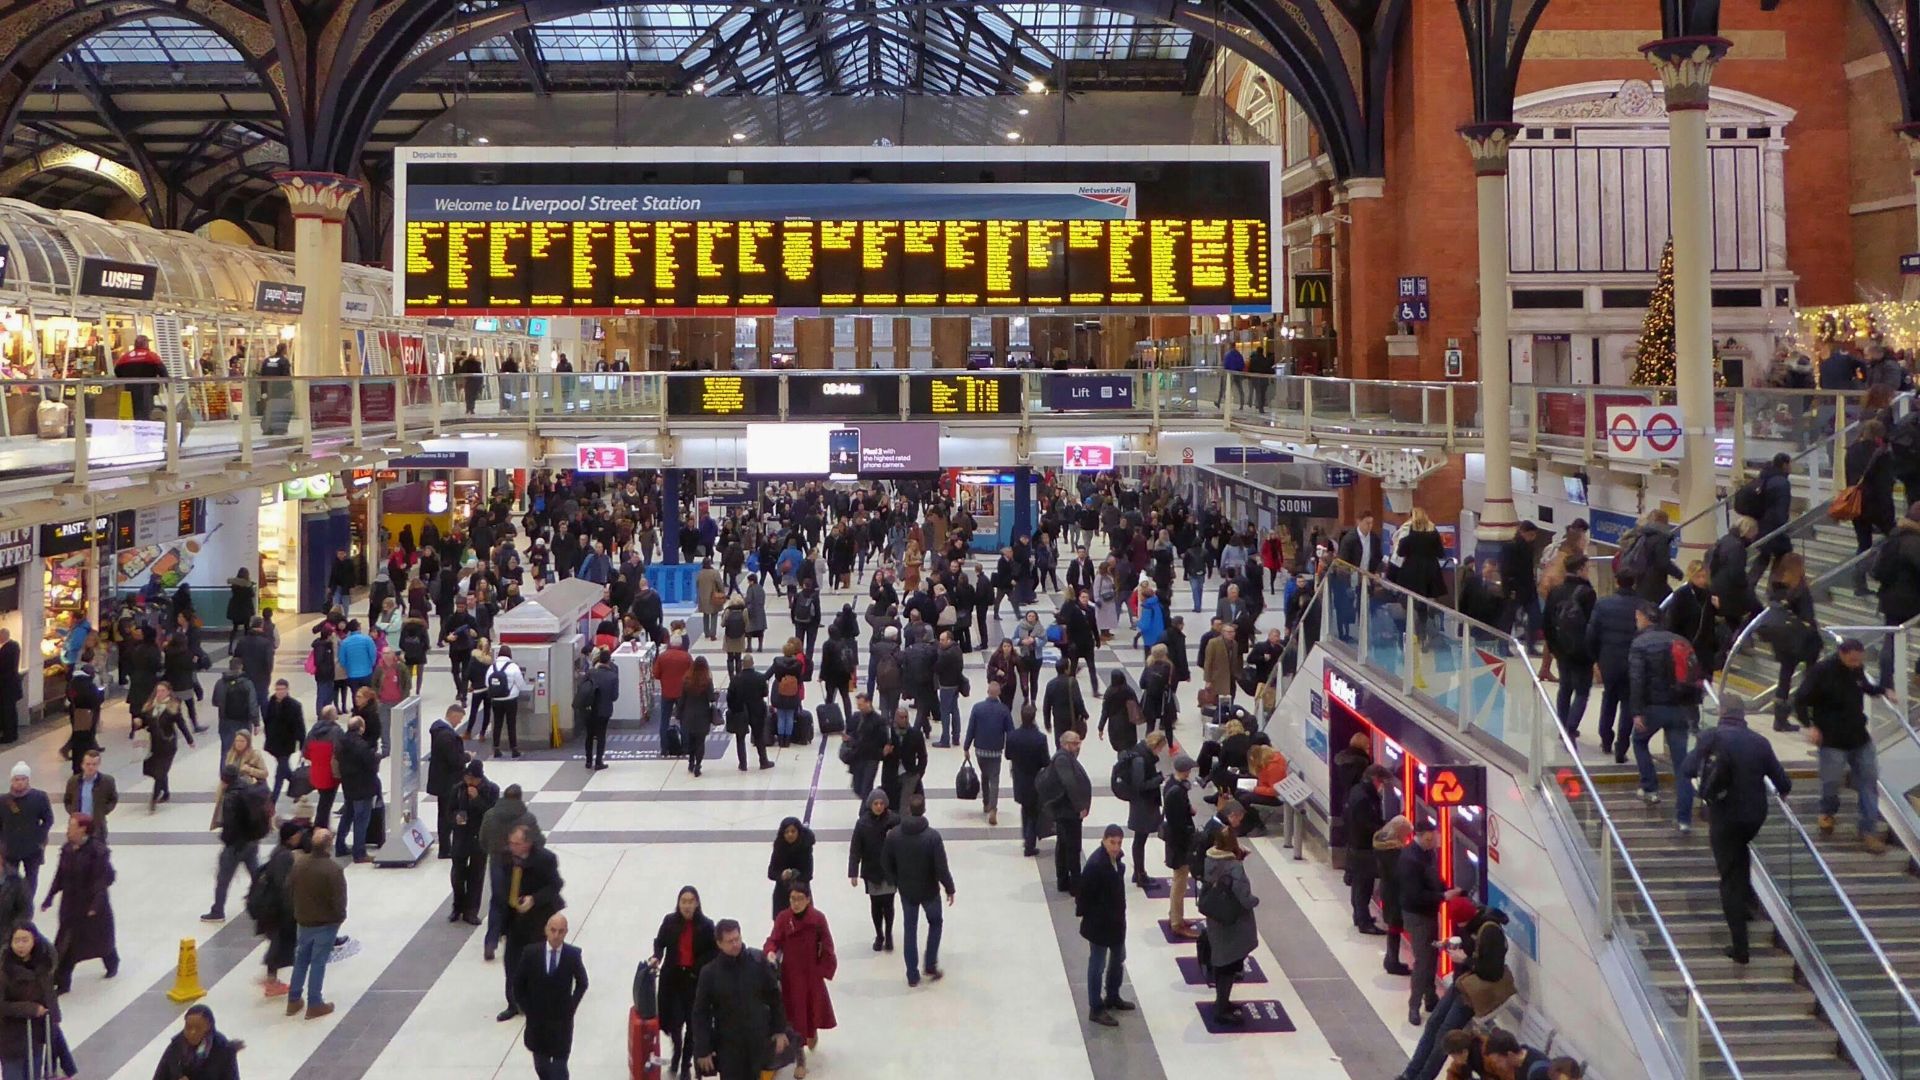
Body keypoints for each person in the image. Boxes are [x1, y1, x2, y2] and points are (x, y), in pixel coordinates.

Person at [1681, 694, 1791, 964]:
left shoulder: (1712, 737)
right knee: (1740, 855)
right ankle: (1748, 904)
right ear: (1743, 716)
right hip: (1755, 817)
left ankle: (1740, 947)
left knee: (1729, 875)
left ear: (1721, 712)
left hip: (1724, 815)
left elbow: (1686, 769)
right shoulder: (1759, 742)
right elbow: (1783, 783)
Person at [1793, 639, 1892, 851]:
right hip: (1831, 738)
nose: (1856, 663)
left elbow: (1864, 686)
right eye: (1853, 659)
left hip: (1859, 737)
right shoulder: (1822, 672)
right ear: (1842, 653)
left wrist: (1883, 690)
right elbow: (1800, 699)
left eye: (1859, 660)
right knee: (1831, 782)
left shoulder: (1856, 670)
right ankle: (1828, 811)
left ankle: (1868, 830)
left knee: (1868, 781)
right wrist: (1810, 726)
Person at [1628, 601, 1702, 831]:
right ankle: (1683, 819)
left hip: (1653, 708)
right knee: (1682, 765)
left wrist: (1637, 711)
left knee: (1639, 741)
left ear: (1643, 618)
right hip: (1680, 709)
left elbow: (1637, 680)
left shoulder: (1640, 643)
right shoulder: (1680, 640)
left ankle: (1650, 788)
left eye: (1637, 617)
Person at [690, 920, 788, 1080]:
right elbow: (701, 1014)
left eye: (737, 939)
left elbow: (774, 997)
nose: (735, 944)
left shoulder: (757, 962)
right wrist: (703, 1049)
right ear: (719, 944)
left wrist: (779, 1029)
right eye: (730, 941)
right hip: (728, 1046)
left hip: (757, 1041)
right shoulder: (709, 973)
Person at [880, 793, 955, 988]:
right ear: (923, 809)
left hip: (907, 891)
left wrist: (895, 881)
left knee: (910, 930)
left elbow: (885, 863)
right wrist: (949, 887)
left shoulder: (894, 835)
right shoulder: (932, 837)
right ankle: (930, 964)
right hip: (929, 891)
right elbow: (941, 867)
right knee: (936, 922)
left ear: (908, 810)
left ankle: (912, 974)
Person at [41, 813, 115, 994]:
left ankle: (112, 960)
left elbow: (101, 880)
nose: (68, 829)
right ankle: (62, 981)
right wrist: (50, 896)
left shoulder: (97, 851)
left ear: (83, 828)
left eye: (71, 825)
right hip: (70, 905)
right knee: (64, 944)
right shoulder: (67, 849)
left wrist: (95, 905)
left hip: (91, 907)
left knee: (99, 940)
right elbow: (60, 876)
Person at [763, 881, 836, 1066]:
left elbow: (827, 945)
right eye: (792, 899)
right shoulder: (783, 918)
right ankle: (800, 1058)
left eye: (800, 899)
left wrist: (824, 969)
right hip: (791, 975)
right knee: (795, 1017)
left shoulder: (818, 919)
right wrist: (770, 951)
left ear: (808, 899)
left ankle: (812, 1033)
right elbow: (774, 939)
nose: (795, 903)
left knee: (811, 1011)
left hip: (812, 975)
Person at [498, 824, 565, 1022]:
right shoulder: (506, 857)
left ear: (528, 843)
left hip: (538, 920)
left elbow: (556, 885)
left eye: (517, 844)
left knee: (538, 963)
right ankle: (513, 1003)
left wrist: (534, 899)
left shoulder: (545, 859)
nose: (513, 847)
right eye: (511, 843)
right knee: (511, 963)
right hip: (514, 919)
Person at [650, 886, 717, 1080]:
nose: (687, 906)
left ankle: (686, 1062)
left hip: (693, 981)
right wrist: (657, 956)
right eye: (683, 901)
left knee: (692, 1023)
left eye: (691, 901)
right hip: (672, 980)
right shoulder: (670, 922)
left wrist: (699, 967)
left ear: (697, 903)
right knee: (674, 1022)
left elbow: (713, 951)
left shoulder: (706, 925)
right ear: (678, 903)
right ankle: (677, 1050)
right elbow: (660, 941)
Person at [515, 913, 589, 1080]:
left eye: (561, 931)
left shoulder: (572, 955)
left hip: (561, 1025)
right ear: (546, 930)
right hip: (538, 1025)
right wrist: (528, 1009)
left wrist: (571, 1006)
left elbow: (582, 982)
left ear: (566, 932)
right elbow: (518, 985)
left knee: (559, 1071)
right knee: (542, 1068)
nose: (556, 935)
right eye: (553, 930)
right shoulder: (531, 953)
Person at [1398, 819, 1457, 1025]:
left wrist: (1447, 890)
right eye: (1434, 836)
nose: (1437, 840)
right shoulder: (1410, 859)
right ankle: (1414, 1006)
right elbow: (1415, 895)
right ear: (1424, 835)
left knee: (1431, 957)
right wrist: (1442, 896)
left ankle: (1430, 998)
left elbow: (1434, 879)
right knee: (1423, 961)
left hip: (1429, 914)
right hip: (1418, 916)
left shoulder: (1427, 853)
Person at [1200, 826, 1260, 1025]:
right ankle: (1221, 1008)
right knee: (1230, 964)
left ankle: (1222, 1001)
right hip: (1233, 922)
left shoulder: (1210, 859)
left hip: (1216, 919)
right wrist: (1255, 900)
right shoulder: (1234, 867)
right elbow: (1243, 896)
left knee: (1221, 960)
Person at [1078, 824, 1135, 1027]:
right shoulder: (1095, 865)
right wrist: (1093, 917)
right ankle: (1096, 1007)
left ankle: (1113, 995)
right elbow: (1083, 897)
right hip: (1100, 925)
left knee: (1118, 958)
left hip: (1116, 923)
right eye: (1112, 842)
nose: (1116, 847)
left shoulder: (1116, 861)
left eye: (1119, 843)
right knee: (1097, 965)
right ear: (1104, 840)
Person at [288, 827, 346, 1019]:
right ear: (329, 846)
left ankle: (294, 999)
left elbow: (289, 888)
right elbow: (339, 900)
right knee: (318, 962)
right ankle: (314, 1003)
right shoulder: (333, 869)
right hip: (325, 922)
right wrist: (340, 917)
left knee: (301, 960)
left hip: (304, 920)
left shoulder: (299, 864)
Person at [203, 764, 270, 922]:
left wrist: (226, 840)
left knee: (223, 879)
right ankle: (268, 904)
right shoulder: (248, 789)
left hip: (235, 846)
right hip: (252, 841)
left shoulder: (231, 797)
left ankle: (217, 911)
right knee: (256, 875)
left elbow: (231, 825)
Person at [1584, 582, 1641, 763]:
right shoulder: (1641, 605)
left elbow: (1591, 634)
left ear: (1616, 581)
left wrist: (1595, 658)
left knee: (1609, 698)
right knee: (1628, 704)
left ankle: (1606, 739)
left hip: (1609, 660)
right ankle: (1621, 747)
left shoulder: (1603, 604)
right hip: (1633, 661)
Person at [1543, 555, 1596, 738]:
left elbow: (1546, 622)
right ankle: (1571, 728)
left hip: (1561, 649)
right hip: (1582, 651)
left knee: (1565, 688)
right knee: (1582, 692)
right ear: (1581, 569)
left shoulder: (1556, 591)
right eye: (1587, 568)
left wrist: (1553, 647)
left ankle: (1562, 726)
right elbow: (1592, 625)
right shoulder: (1588, 593)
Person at [253, 822, 303, 997]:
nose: (300, 837)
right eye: (297, 834)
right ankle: (271, 980)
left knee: (277, 942)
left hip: (271, 907)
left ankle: (271, 978)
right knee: (278, 943)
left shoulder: (279, 852)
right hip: (276, 909)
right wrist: (291, 911)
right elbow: (283, 886)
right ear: (290, 837)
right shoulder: (285, 857)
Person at [1042, 730, 1093, 894]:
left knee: (1064, 845)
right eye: (1075, 743)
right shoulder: (1063, 759)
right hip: (1068, 812)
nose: (1078, 746)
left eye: (1079, 742)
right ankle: (1075, 884)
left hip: (1066, 810)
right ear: (1065, 744)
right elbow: (1069, 783)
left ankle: (1064, 880)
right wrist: (1080, 807)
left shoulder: (1066, 757)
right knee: (1072, 847)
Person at [848, 789, 899, 953]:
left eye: (881, 803)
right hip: (871, 870)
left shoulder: (894, 820)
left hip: (890, 871)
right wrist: (853, 872)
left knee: (889, 904)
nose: (878, 806)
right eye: (876, 804)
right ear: (870, 804)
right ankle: (879, 934)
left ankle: (889, 934)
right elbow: (855, 849)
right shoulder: (862, 823)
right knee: (876, 905)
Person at [447, 761, 497, 925]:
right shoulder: (458, 789)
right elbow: (449, 812)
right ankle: (457, 906)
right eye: (466, 777)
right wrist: (456, 819)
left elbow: (491, 813)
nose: (468, 781)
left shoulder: (491, 790)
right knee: (457, 874)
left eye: (471, 778)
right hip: (461, 836)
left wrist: (476, 799)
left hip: (479, 838)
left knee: (476, 875)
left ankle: (471, 911)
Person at [1345, 765, 1392, 934]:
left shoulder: (1357, 791)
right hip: (1363, 847)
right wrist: (1386, 829)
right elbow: (1367, 824)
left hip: (1356, 844)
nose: (1382, 786)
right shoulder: (1365, 798)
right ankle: (1364, 923)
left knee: (1359, 884)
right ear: (1375, 779)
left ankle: (1359, 916)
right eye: (1382, 782)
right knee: (1363, 885)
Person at [961, 684, 1014, 826]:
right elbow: (1011, 732)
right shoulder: (1004, 710)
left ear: (987, 691)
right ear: (999, 693)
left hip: (980, 750)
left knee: (984, 775)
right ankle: (993, 808)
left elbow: (971, 729)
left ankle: (985, 802)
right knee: (994, 779)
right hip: (996, 750)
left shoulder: (977, 708)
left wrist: (966, 747)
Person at [332, 717, 381, 862]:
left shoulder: (341, 742)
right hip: (363, 786)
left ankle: (340, 846)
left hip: (348, 785)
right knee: (361, 819)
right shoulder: (361, 745)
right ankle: (359, 853)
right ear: (361, 728)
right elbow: (371, 765)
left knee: (347, 816)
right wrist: (376, 757)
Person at [1007, 704, 1051, 858]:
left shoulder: (1012, 736)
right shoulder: (1040, 738)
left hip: (1019, 779)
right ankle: (1029, 844)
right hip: (1035, 780)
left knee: (1025, 808)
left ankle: (1026, 836)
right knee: (1032, 812)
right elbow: (1046, 761)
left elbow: (1007, 755)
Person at [0, 766, 50, 903]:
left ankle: (27, 904)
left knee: (31, 878)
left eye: (23, 779)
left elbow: (48, 819)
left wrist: (39, 836)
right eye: (17, 779)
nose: (20, 782)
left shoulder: (39, 797)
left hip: (32, 848)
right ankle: (12, 905)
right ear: (11, 780)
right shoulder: (3, 800)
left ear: (28, 780)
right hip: (10, 848)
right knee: (10, 879)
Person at [1376, 815, 1414, 976]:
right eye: (1406, 834)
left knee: (1394, 927)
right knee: (1395, 927)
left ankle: (1391, 960)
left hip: (1388, 891)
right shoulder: (1394, 852)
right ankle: (1392, 962)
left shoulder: (1382, 844)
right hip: (1395, 894)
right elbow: (1400, 874)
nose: (1407, 839)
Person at [726, 656, 773, 772]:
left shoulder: (736, 679)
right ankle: (763, 761)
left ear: (742, 665)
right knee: (758, 737)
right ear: (752, 663)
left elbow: (730, 697)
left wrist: (734, 708)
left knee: (740, 738)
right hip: (757, 710)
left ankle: (743, 764)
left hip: (740, 711)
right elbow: (765, 693)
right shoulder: (760, 677)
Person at [60, 751, 116, 846]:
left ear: (98, 765)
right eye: (88, 764)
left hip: (97, 826)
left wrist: (103, 811)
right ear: (82, 765)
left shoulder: (107, 781)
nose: (91, 767)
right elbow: (67, 800)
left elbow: (113, 799)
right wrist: (73, 812)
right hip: (78, 826)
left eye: (94, 764)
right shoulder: (73, 781)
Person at [767, 817, 815, 921]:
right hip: (782, 895)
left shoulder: (805, 848)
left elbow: (808, 874)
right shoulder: (779, 847)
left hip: (801, 894)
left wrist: (794, 874)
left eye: (793, 831)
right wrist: (781, 876)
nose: (790, 834)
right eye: (787, 832)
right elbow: (771, 872)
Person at [486, 645, 529, 759]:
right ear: (509, 654)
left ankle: (496, 749)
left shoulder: (492, 667)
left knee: (497, 724)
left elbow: (487, 683)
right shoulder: (513, 667)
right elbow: (521, 684)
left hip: (496, 700)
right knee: (511, 724)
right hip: (510, 700)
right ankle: (514, 749)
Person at [677, 657, 717, 779]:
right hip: (702, 716)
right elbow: (711, 698)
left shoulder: (686, 680)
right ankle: (698, 765)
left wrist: (679, 714)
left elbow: (682, 700)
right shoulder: (707, 681)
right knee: (700, 742)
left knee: (691, 740)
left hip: (688, 716)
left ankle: (691, 762)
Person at [115, 333, 165, 420]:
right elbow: (162, 370)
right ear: (145, 344)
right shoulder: (151, 356)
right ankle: (145, 427)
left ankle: (136, 426)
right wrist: (167, 384)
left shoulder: (125, 357)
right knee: (146, 411)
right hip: (147, 388)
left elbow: (117, 370)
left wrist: (125, 379)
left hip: (129, 388)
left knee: (133, 410)